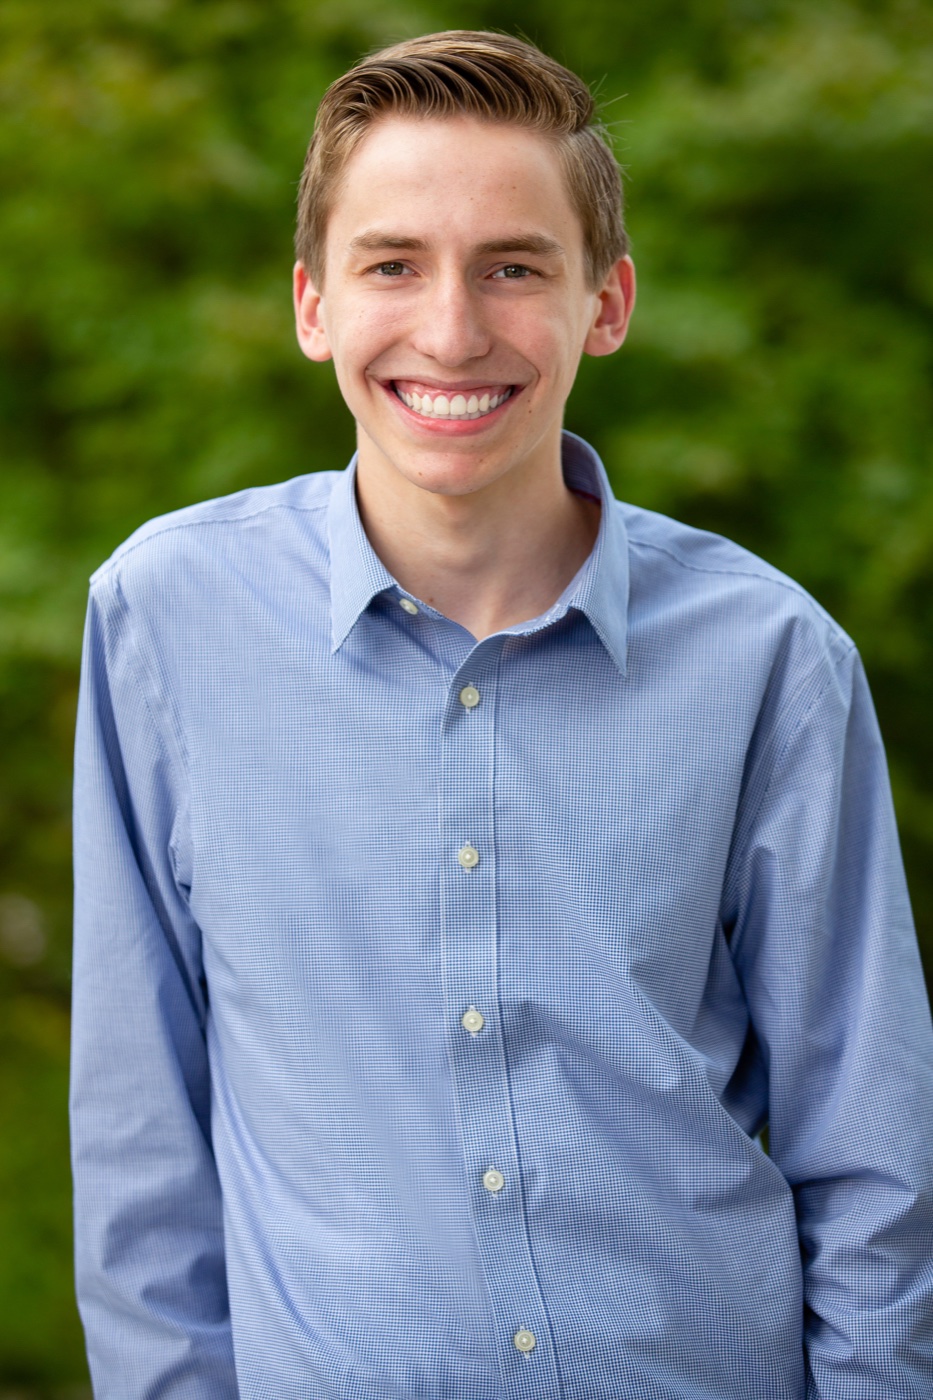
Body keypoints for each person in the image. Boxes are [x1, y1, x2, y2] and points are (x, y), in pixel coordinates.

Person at [70, 29, 933, 1400]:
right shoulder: (166, 618)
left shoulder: (769, 656)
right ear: (311, 304)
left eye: (514, 268)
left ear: (607, 302)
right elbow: (140, 1143)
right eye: (392, 265)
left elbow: (875, 1160)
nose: (452, 331)